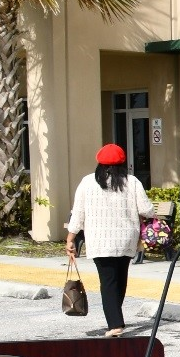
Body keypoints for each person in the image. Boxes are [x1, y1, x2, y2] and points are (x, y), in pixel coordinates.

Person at [64, 143, 152, 337]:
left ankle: (115, 324)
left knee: (108, 281)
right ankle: (116, 318)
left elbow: (78, 213)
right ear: (123, 163)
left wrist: (71, 238)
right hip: (126, 239)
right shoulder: (133, 182)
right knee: (120, 280)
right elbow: (147, 209)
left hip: (100, 240)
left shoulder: (87, 182)